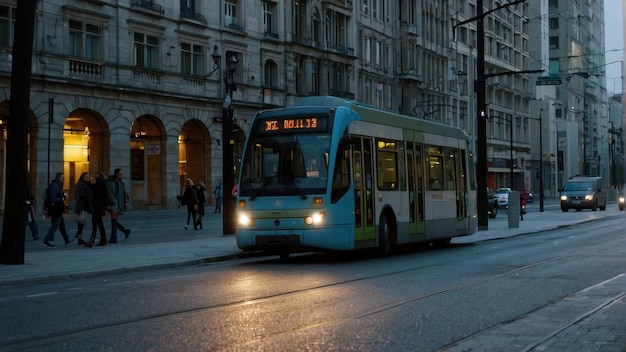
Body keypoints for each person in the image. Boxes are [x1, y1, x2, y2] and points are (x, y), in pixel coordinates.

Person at [42, 173, 75, 248]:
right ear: (58, 178)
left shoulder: (58, 186)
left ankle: (66, 240)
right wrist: (61, 197)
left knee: (61, 225)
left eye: (63, 177)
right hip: (56, 208)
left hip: (57, 208)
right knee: (55, 225)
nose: (63, 178)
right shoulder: (55, 186)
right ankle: (46, 241)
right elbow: (53, 198)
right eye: (61, 177)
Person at [107, 169, 131, 243]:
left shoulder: (121, 183)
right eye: (120, 174)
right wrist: (115, 202)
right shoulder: (110, 183)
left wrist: (126, 202)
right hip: (113, 205)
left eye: (122, 174)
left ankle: (115, 236)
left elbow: (124, 193)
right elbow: (109, 194)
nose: (121, 176)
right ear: (116, 174)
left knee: (114, 220)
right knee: (114, 220)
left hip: (118, 205)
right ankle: (118, 234)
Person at [84, 171, 108, 247]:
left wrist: (88, 182)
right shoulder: (102, 183)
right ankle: (101, 239)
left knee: (96, 224)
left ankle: (93, 240)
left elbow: (93, 187)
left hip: (98, 207)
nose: (95, 177)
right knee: (99, 224)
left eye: (96, 176)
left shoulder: (100, 183)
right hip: (99, 206)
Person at [74, 172, 93, 245]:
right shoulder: (81, 185)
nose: (87, 178)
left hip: (84, 205)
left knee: (81, 222)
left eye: (88, 177)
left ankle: (79, 237)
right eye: (86, 177)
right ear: (82, 177)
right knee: (81, 221)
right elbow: (81, 195)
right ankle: (79, 237)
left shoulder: (87, 185)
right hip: (82, 205)